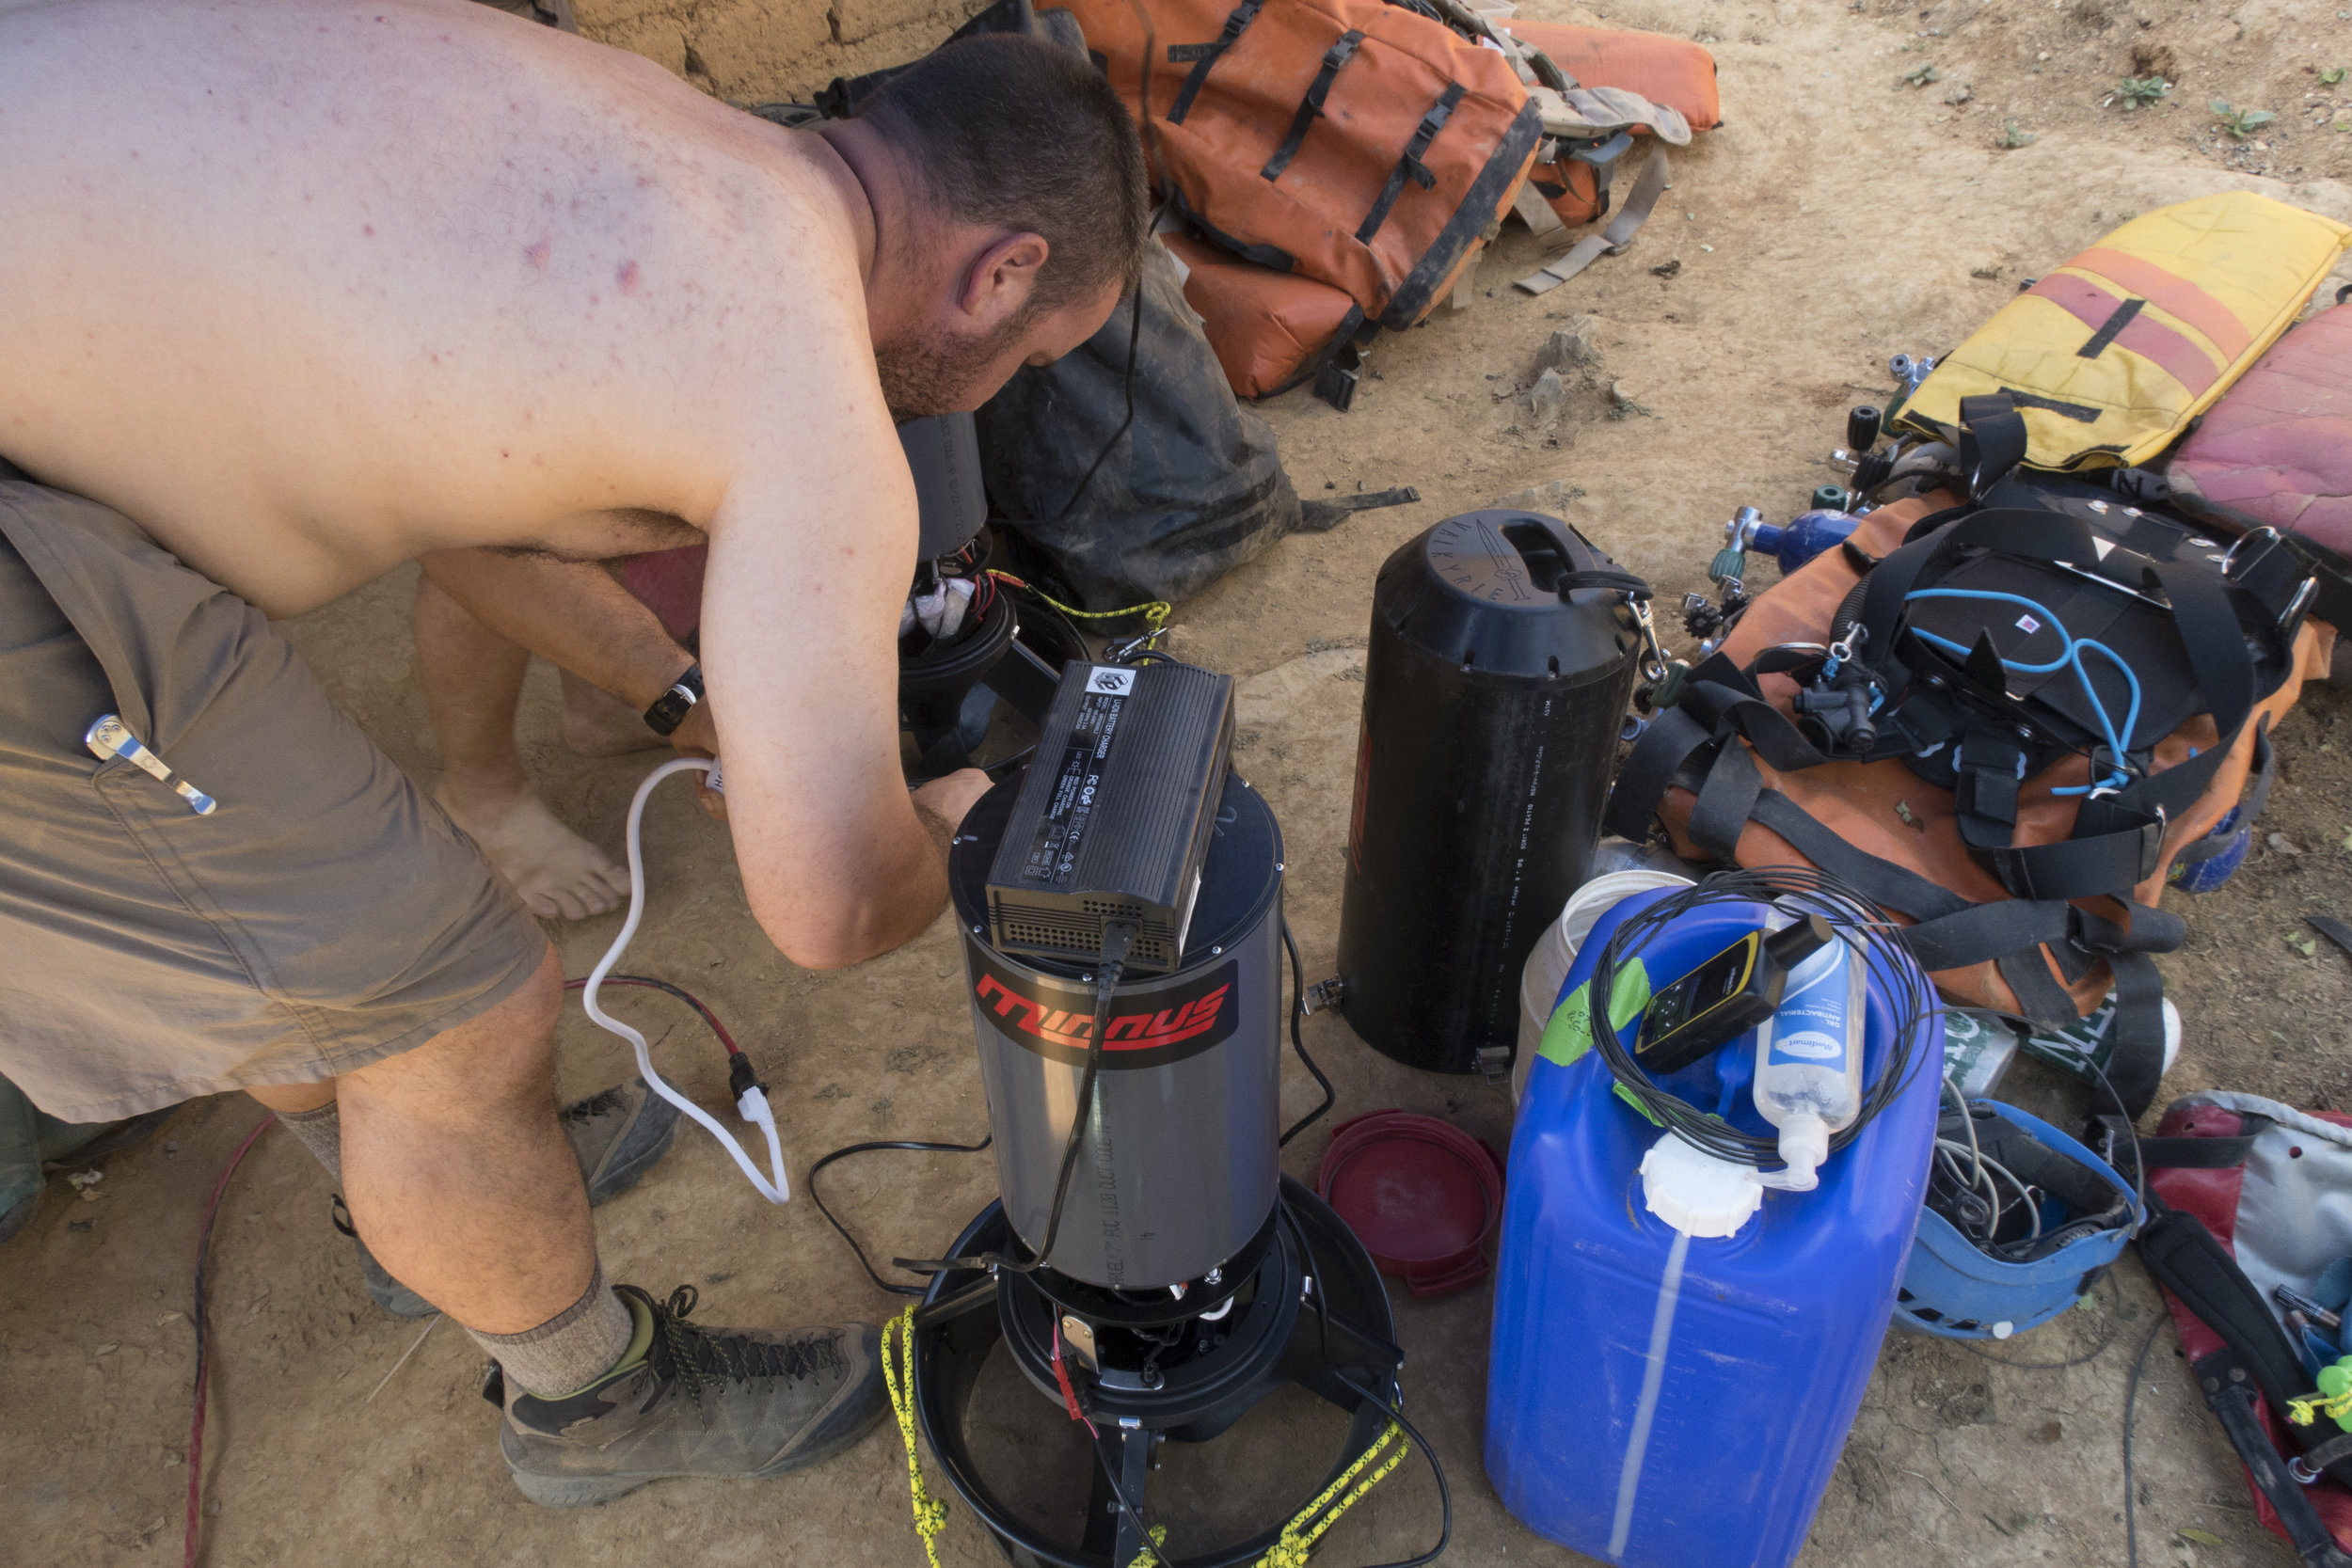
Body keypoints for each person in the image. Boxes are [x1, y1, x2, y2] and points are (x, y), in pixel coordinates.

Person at [0, 0, 1149, 1508]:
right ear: (1004, 272)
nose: (1004, 390)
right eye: (1035, 353)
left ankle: (419, 1195)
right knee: (458, 1012)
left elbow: (451, 514)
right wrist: (948, 823)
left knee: (309, 932)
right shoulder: (802, 394)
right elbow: (828, 910)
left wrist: (697, 698)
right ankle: (590, 1405)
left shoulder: (650, 133)